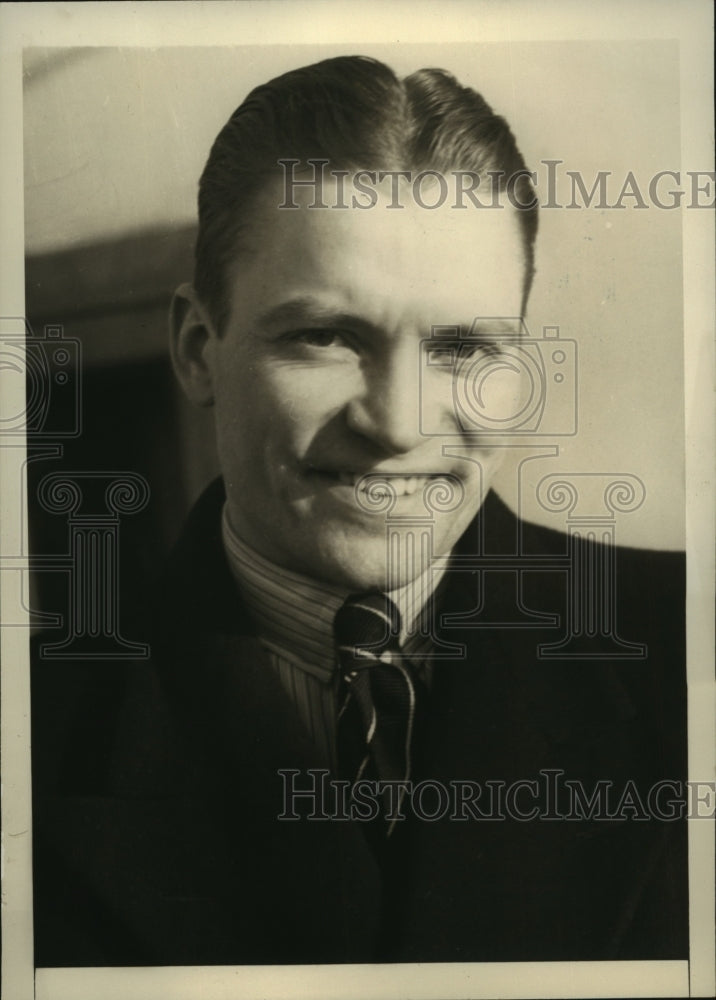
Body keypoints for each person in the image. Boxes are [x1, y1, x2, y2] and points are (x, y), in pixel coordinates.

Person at [31, 55, 687, 966]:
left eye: (463, 347)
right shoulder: (35, 723)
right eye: (327, 335)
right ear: (195, 350)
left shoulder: (687, 650)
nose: (399, 422)